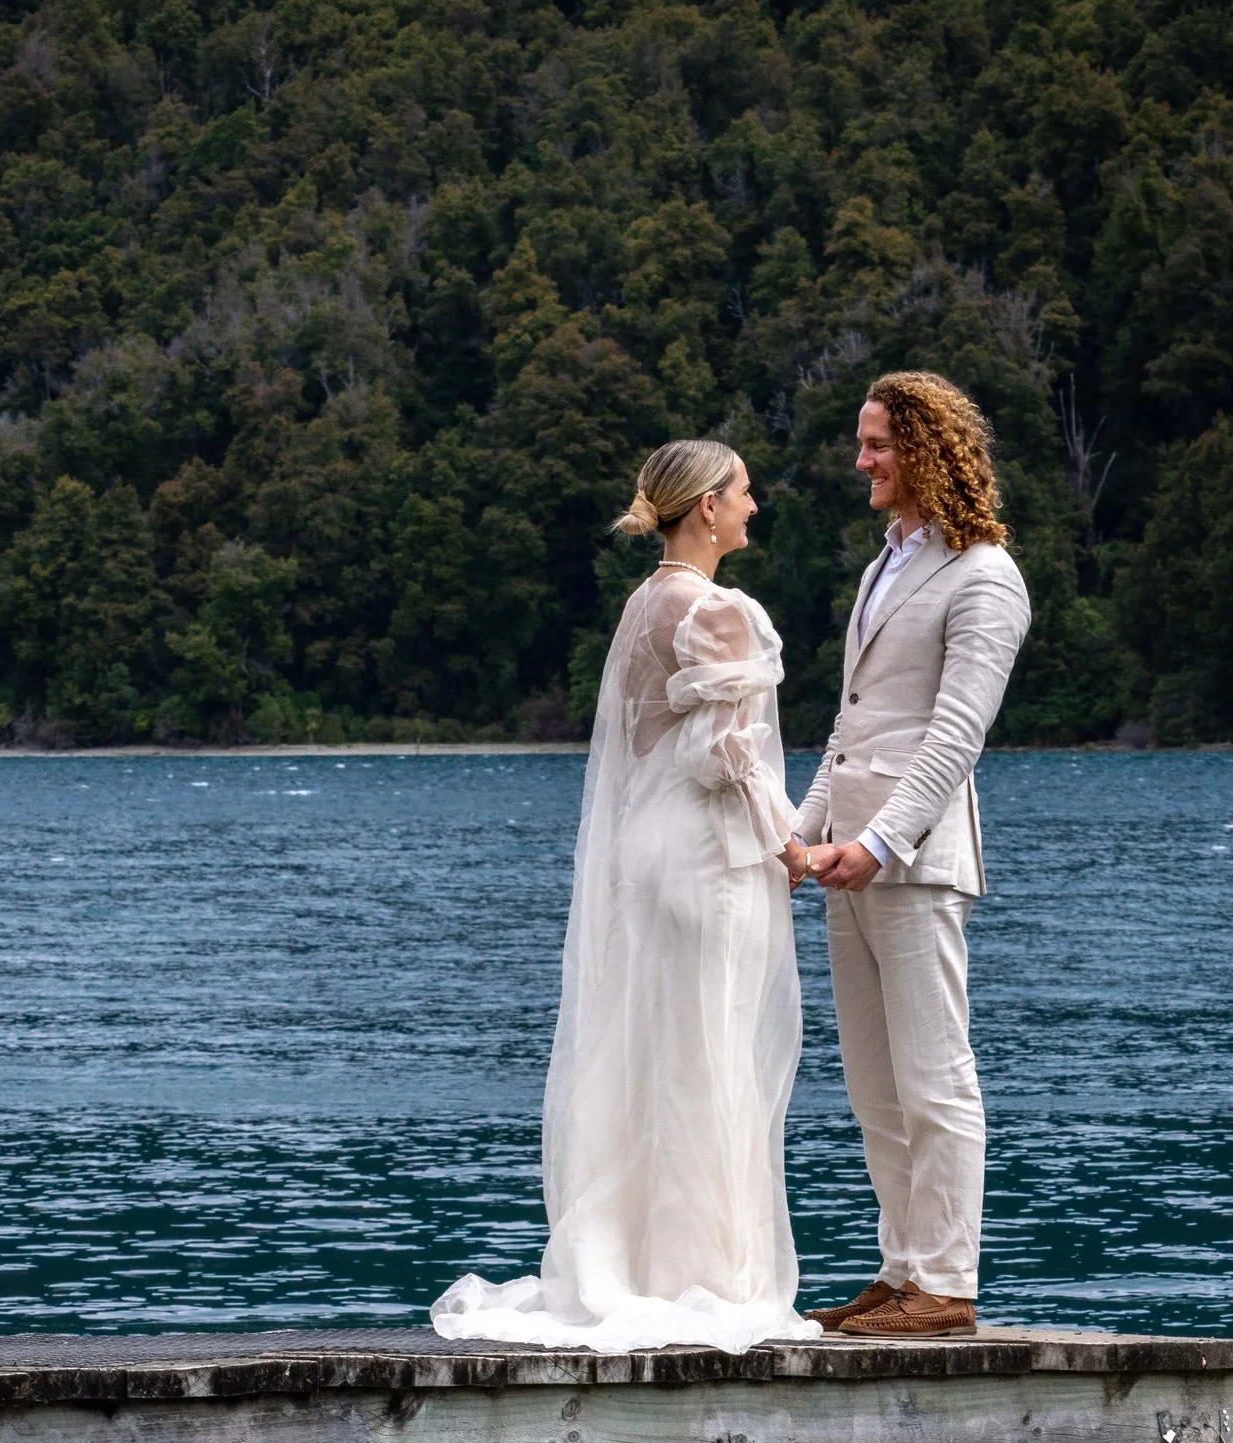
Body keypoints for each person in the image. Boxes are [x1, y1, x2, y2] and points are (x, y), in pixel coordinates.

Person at [433, 438, 818, 1348]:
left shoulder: (644, 605)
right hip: (705, 858)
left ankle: (644, 1261)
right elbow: (728, 756)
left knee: (657, 1057)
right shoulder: (716, 611)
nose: (754, 508)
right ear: (706, 510)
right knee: (712, 1059)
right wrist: (794, 843)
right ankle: (709, 1277)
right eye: (745, 494)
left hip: (649, 856)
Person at [797, 370, 1032, 1338]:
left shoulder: (984, 576)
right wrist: (801, 835)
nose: (862, 461)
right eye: (863, 442)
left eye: (878, 444)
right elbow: (853, 731)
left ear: (928, 449)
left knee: (934, 1077)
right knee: (872, 1083)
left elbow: (954, 735)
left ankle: (945, 1283)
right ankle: (900, 1274)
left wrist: (881, 844)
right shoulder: (885, 562)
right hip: (849, 856)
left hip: (913, 862)